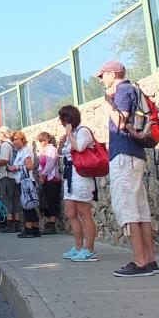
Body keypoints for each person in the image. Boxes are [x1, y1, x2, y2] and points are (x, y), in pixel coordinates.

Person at [96, 61, 159, 277]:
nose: (101, 80)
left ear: (112, 74)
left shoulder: (122, 91)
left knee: (128, 208)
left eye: (102, 75)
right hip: (135, 155)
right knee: (141, 209)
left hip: (123, 155)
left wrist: (109, 101)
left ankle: (140, 261)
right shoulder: (132, 89)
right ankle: (150, 260)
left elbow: (121, 122)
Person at [57, 105, 98, 261]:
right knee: (71, 213)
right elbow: (61, 154)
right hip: (69, 176)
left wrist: (69, 134)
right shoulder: (71, 134)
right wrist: (62, 143)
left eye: (62, 119)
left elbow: (80, 148)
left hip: (81, 176)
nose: (61, 122)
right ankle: (79, 246)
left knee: (84, 213)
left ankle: (90, 250)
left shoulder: (83, 132)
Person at [11, 131, 40, 238]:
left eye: (17, 139)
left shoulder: (25, 150)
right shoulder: (19, 152)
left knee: (27, 205)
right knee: (29, 205)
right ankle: (35, 228)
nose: (15, 142)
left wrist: (16, 168)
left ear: (22, 139)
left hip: (26, 181)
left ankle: (29, 229)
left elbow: (29, 166)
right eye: (13, 139)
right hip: (22, 181)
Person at [0, 126, 20, 232]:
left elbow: (4, 160)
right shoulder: (13, 145)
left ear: (3, 134)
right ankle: (17, 224)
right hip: (14, 176)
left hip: (6, 176)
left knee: (6, 199)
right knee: (15, 200)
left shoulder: (5, 145)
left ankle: (10, 224)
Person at [37, 132, 61, 234]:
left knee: (52, 201)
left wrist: (43, 174)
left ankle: (52, 223)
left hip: (52, 179)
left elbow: (50, 164)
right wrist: (40, 174)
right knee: (46, 200)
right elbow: (40, 165)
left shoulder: (51, 150)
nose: (40, 143)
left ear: (46, 140)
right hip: (46, 179)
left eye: (41, 141)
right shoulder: (44, 151)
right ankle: (48, 222)